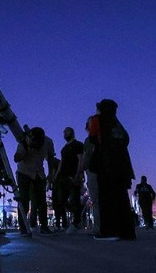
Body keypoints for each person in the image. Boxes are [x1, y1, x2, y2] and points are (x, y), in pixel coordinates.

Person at [87, 99, 136, 241]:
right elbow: (126, 140)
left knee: (105, 199)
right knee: (122, 199)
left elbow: (92, 138)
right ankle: (127, 233)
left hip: (105, 165)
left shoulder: (98, 119)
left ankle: (108, 232)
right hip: (122, 166)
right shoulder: (117, 124)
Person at [14, 126, 56, 236]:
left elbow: (50, 158)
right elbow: (16, 158)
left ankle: (44, 226)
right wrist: (25, 147)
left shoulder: (48, 142)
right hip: (24, 172)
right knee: (23, 200)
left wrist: (50, 175)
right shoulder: (24, 141)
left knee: (41, 201)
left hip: (38, 173)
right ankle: (23, 228)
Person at [53, 127, 84, 234]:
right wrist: (56, 176)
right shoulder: (63, 149)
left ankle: (76, 223)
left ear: (72, 132)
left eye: (67, 131)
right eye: (64, 132)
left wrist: (78, 174)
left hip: (73, 176)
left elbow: (81, 159)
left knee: (75, 199)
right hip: (63, 178)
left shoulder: (78, 145)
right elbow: (61, 163)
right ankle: (67, 223)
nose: (65, 133)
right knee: (61, 201)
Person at [78, 116, 100, 235]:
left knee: (96, 199)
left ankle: (98, 227)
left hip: (93, 171)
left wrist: (82, 168)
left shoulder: (89, 140)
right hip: (104, 171)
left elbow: (87, 155)